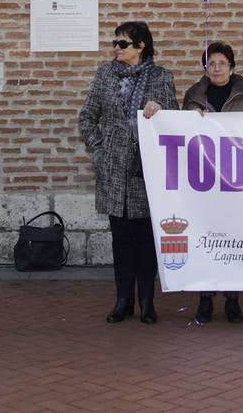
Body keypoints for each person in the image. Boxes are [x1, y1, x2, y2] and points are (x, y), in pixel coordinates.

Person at [79, 21, 177, 325]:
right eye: (115, 43)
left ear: (140, 46)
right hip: (113, 171)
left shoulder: (160, 77)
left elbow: (174, 115)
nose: (116, 48)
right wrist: (100, 148)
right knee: (120, 239)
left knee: (146, 239)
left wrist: (159, 106)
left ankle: (147, 301)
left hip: (145, 170)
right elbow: (87, 117)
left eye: (123, 43)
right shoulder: (104, 75)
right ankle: (123, 300)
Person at [181, 41, 243, 325]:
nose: (217, 68)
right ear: (205, 67)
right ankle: (204, 299)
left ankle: (232, 299)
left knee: (233, 237)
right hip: (203, 180)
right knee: (205, 238)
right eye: (211, 63)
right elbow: (183, 137)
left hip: (236, 179)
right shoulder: (193, 97)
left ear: (232, 66)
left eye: (222, 63)